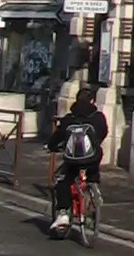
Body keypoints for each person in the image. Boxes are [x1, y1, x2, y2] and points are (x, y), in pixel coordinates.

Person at [46, 83, 107, 232]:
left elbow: (55, 139)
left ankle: (63, 215)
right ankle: (94, 186)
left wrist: (53, 147)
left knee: (63, 181)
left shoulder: (68, 119)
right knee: (95, 159)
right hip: (92, 158)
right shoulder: (98, 117)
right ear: (92, 101)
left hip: (73, 160)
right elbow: (103, 133)